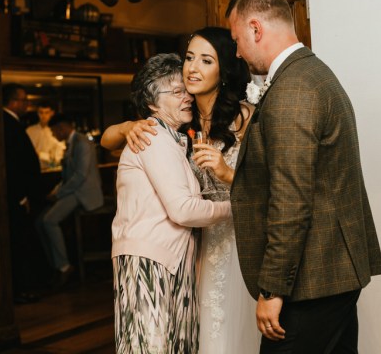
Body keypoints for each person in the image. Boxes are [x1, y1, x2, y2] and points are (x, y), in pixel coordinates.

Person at [225, 0, 381, 352]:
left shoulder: (293, 89)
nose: (236, 51)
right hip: (330, 271)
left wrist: (273, 289)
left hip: (311, 281)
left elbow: (291, 200)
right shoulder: (312, 73)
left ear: (255, 28)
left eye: (236, 39)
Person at [101, 27, 261, 353]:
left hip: (229, 244)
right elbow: (108, 141)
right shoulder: (165, 130)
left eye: (205, 60)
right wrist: (126, 126)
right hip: (187, 250)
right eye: (189, 58)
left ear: (223, 68)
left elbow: (270, 184)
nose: (192, 70)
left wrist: (228, 173)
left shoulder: (233, 119)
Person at [111, 52, 233, 353]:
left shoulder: (174, 138)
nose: (187, 98)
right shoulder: (152, 137)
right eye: (176, 92)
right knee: (148, 346)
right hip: (149, 264)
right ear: (152, 103)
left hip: (171, 263)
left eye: (185, 90)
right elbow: (183, 209)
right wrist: (238, 205)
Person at [35, 113, 103, 288]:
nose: (53, 136)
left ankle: (64, 266)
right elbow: (68, 177)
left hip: (84, 193)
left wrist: (58, 194)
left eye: (53, 132)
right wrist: (56, 190)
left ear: (62, 128)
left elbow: (80, 176)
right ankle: (56, 265)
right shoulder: (70, 143)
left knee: (48, 220)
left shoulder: (81, 142)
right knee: (39, 221)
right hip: (73, 191)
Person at [2, 83, 43, 304]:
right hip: (18, 196)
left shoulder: (14, 123)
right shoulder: (7, 123)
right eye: (24, 100)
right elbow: (12, 163)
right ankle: (22, 289)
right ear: (13, 101)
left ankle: (26, 287)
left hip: (23, 194)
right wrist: (22, 196)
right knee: (19, 242)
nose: (27, 104)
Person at [26, 100, 65, 169]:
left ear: (52, 113)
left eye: (46, 113)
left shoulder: (57, 131)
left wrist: (40, 155)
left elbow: (59, 157)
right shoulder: (29, 131)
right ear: (37, 113)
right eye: (41, 113)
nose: (43, 116)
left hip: (51, 170)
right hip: (32, 169)